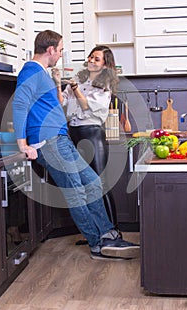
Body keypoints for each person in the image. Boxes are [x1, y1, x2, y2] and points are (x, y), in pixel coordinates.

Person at [12, 29, 139, 260]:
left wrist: (59, 83)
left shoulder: (43, 73)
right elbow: (20, 105)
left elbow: (54, 104)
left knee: (92, 185)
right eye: (60, 50)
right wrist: (23, 144)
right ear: (50, 50)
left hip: (61, 139)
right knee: (76, 193)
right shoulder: (31, 71)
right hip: (48, 142)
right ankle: (96, 244)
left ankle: (109, 235)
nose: (61, 54)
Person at [52, 45, 121, 242]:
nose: (91, 60)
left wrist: (73, 87)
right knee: (85, 186)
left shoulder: (104, 87)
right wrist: (58, 84)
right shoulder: (80, 82)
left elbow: (85, 106)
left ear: (105, 65)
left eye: (97, 59)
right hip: (74, 133)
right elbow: (61, 102)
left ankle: (113, 232)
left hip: (92, 135)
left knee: (99, 184)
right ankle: (99, 231)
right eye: (90, 57)